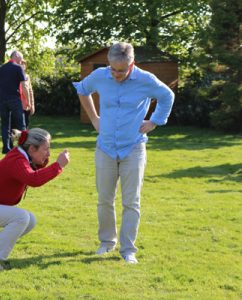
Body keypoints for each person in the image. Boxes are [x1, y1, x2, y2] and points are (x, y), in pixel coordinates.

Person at [73, 42, 174, 264]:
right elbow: (82, 89)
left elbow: (167, 96)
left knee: (131, 202)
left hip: (133, 147)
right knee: (104, 200)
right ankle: (107, 242)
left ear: (132, 64)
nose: (117, 74)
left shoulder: (146, 80)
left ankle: (128, 249)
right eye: (113, 69)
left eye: (122, 70)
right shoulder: (100, 75)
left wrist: (155, 121)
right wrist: (94, 119)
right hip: (106, 147)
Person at [0, 128, 70, 270]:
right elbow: (33, 179)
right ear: (32, 148)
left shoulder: (20, 156)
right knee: (21, 217)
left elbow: (32, 171)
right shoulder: (17, 159)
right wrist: (58, 166)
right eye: (46, 149)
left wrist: (48, 163)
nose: (49, 154)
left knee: (30, 219)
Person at [0, 50, 29, 154]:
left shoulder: (2, 67)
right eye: (21, 58)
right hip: (15, 99)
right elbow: (24, 86)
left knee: (5, 125)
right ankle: (23, 147)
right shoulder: (18, 68)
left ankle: (6, 148)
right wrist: (28, 100)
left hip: (2, 100)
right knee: (21, 124)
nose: (22, 61)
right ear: (16, 56)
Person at [19, 59, 35, 128]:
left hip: (26, 106)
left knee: (25, 125)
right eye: (21, 64)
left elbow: (30, 91)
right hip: (17, 104)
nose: (22, 65)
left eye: (24, 64)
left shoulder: (27, 76)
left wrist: (32, 105)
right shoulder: (14, 76)